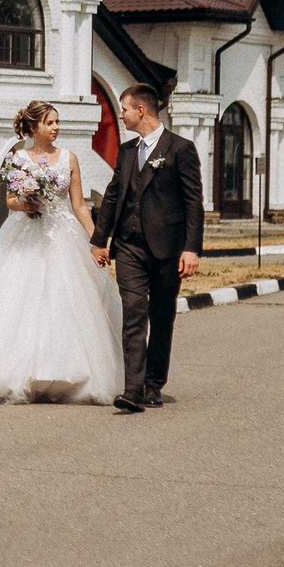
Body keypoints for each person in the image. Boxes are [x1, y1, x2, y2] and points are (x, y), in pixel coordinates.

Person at [0, 101, 125, 405]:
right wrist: (24, 203)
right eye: (49, 123)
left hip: (62, 235)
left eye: (57, 122)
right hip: (24, 234)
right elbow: (10, 200)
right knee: (16, 299)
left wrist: (97, 241)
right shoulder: (18, 159)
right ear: (33, 127)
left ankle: (66, 374)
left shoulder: (69, 158)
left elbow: (79, 205)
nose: (56, 128)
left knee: (65, 301)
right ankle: (12, 372)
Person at [87, 84, 204, 414]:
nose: (120, 115)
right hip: (129, 247)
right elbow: (113, 197)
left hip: (168, 250)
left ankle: (154, 384)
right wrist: (99, 240)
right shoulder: (126, 152)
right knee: (133, 312)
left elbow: (193, 203)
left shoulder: (180, 149)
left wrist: (191, 249)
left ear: (141, 111)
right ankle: (133, 389)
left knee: (162, 315)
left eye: (124, 109)